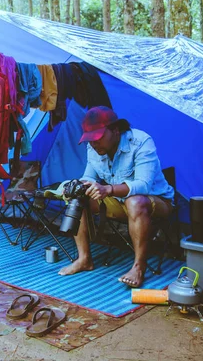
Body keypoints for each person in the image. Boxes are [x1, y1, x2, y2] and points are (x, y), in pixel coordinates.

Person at [58, 106, 174, 288]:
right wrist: (78, 186)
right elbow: (89, 176)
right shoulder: (93, 149)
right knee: (78, 196)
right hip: (119, 202)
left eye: (97, 138)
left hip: (156, 201)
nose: (94, 144)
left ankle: (138, 267)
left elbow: (143, 185)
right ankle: (84, 259)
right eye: (90, 140)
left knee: (134, 201)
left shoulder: (141, 142)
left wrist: (108, 190)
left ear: (115, 130)